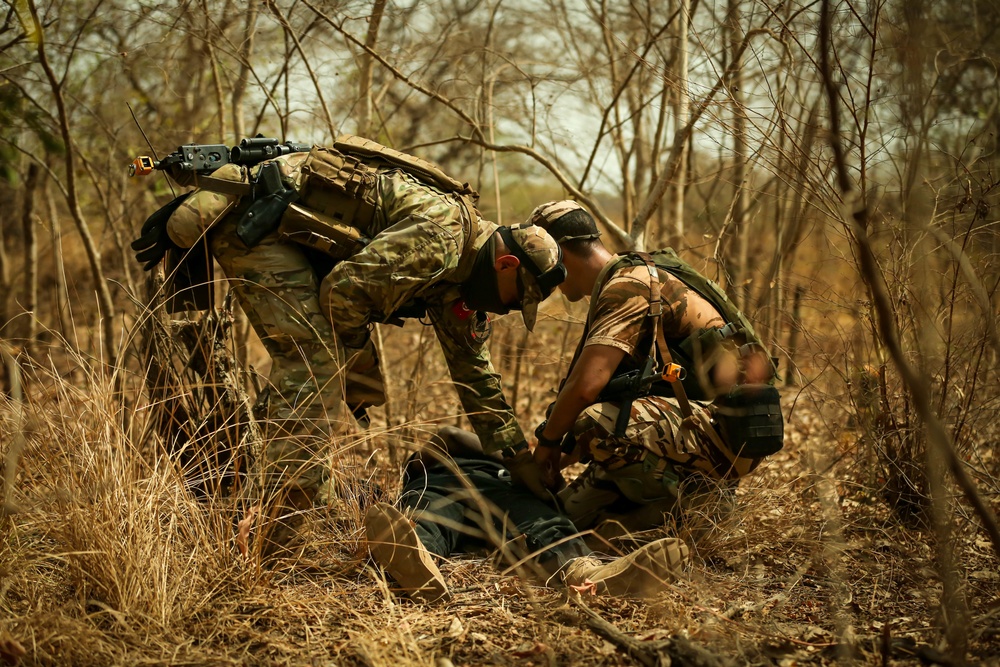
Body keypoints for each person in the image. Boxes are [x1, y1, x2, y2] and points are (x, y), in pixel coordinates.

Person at [131, 136, 565, 555]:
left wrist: (519, 460)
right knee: (314, 362)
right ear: (506, 265)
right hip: (260, 218)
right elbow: (343, 294)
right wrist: (359, 365)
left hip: (295, 232)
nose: (507, 310)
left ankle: (281, 498)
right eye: (515, 300)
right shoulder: (444, 240)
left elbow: (475, 376)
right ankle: (281, 529)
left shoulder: (463, 276)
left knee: (322, 365)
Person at [521, 201, 783, 541]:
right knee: (567, 520)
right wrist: (553, 459)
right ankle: (644, 516)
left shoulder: (629, 284)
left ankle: (697, 511)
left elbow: (586, 388)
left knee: (597, 421)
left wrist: (547, 445)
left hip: (725, 430)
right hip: (692, 426)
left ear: (559, 256)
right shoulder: (622, 280)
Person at [364, 426, 690, 602]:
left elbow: (446, 437)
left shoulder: (422, 475)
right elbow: (450, 435)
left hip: (442, 487)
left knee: (426, 520)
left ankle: (415, 556)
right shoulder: (503, 463)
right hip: (499, 489)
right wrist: (520, 462)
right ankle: (585, 573)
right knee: (541, 522)